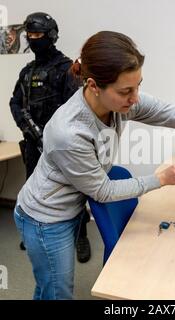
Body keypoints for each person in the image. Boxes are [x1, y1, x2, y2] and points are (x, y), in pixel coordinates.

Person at [13, 30, 175, 300]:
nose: (135, 97)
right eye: (126, 90)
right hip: (44, 217)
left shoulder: (119, 103)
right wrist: (159, 178)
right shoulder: (69, 132)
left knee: (48, 286)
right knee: (56, 292)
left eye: (138, 86)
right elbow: (102, 191)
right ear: (93, 86)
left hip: (72, 203)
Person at [9, 12, 91, 263]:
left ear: (51, 36)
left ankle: (80, 236)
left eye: (38, 35)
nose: (33, 40)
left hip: (61, 145)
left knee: (73, 189)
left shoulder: (67, 69)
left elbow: (77, 110)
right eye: (29, 36)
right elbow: (15, 102)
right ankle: (34, 230)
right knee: (34, 189)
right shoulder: (27, 71)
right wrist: (26, 127)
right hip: (34, 143)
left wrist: (57, 137)